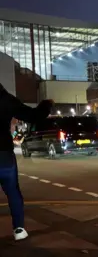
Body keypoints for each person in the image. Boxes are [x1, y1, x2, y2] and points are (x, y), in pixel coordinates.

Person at [0, 83, 53, 240]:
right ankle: (19, 229)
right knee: (13, 192)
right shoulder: (6, 99)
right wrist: (46, 104)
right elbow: (33, 115)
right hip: (4, 155)